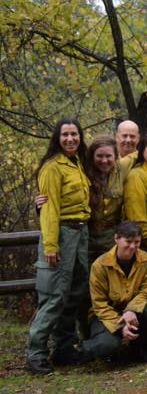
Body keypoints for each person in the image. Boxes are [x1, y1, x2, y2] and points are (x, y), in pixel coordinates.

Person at [26, 119, 91, 375]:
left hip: (80, 231)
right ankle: (36, 353)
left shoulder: (77, 164)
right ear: (57, 138)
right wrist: (51, 245)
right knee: (54, 295)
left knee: (74, 292)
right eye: (65, 135)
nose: (70, 139)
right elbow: (49, 208)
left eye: (74, 134)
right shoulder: (52, 167)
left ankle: (64, 348)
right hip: (61, 234)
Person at [81, 221, 147, 363]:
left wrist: (131, 310)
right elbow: (99, 305)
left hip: (134, 310)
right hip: (106, 315)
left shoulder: (146, 259)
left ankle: (140, 346)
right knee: (107, 345)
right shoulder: (99, 265)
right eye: (128, 241)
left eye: (137, 242)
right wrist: (121, 326)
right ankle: (86, 348)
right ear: (116, 239)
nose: (133, 246)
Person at [84, 135, 125, 258]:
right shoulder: (83, 172)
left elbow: (140, 154)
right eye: (99, 156)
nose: (104, 160)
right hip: (87, 234)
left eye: (108, 156)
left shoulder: (122, 170)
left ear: (115, 157)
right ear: (92, 156)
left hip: (111, 235)